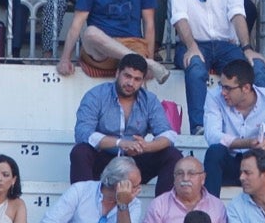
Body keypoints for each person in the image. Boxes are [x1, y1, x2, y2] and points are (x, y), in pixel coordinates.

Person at [173, 0, 265, 128]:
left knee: (256, 66)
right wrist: (191, 47)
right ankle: (199, 128)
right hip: (193, 42)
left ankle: (260, 126)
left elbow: (236, 12)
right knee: (196, 66)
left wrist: (247, 48)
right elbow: (179, 17)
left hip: (226, 44)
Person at [72, 54, 183, 195]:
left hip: (135, 163)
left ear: (143, 80)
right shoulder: (96, 95)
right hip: (104, 161)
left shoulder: (149, 100)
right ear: (117, 73)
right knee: (80, 151)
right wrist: (119, 143)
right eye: (127, 76)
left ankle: (162, 210)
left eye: (137, 79)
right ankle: (82, 204)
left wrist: (147, 147)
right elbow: (82, 132)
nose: (131, 83)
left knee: (172, 155)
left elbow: (168, 134)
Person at [202, 57, 265, 195]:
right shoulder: (214, 96)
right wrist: (247, 143)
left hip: (260, 166)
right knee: (215, 151)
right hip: (231, 164)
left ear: (246, 88)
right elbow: (212, 136)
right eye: (221, 86)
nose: (223, 92)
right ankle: (209, 211)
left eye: (228, 88)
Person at [137, 156, 233, 223]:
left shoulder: (217, 205)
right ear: (174, 178)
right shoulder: (159, 204)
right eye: (180, 173)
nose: (185, 179)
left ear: (203, 178)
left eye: (191, 174)